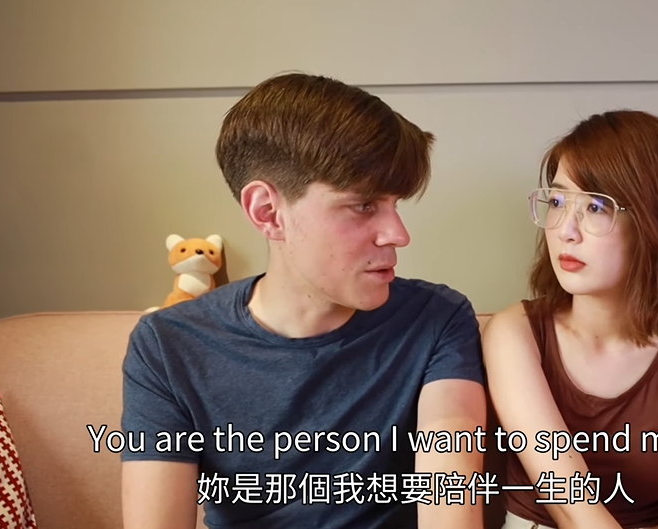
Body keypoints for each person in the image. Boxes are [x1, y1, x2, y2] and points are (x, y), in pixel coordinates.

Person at [119, 73, 488, 529]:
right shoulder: (167, 346)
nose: (398, 234)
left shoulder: (436, 320)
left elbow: (451, 501)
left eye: (396, 204)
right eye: (364, 205)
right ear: (267, 212)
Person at [482, 110, 658, 529]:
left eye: (595, 206)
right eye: (558, 202)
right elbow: (570, 504)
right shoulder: (515, 335)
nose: (566, 230)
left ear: (657, 224)